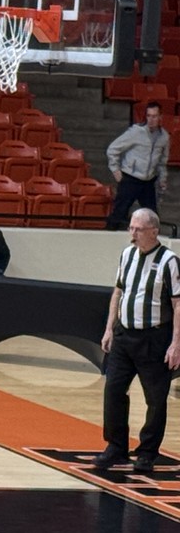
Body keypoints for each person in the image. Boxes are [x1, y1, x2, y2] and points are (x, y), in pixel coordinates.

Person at [94, 208, 180, 473]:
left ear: (154, 231)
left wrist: (176, 343)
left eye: (138, 229)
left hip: (153, 338)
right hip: (124, 336)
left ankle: (147, 453)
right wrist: (109, 328)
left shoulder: (169, 260)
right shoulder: (127, 254)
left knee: (155, 398)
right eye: (131, 228)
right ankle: (116, 447)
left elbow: (178, 304)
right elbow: (118, 292)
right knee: (114, 390)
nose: (132, 234)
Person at [106, 102, 170, 230]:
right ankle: (108, 238)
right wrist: (115, 169)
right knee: (119, 213)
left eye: (154, 116)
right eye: (149, 116)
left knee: (152, 216)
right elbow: (113, 149)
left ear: (160, 117)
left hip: (148, 181)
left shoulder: (164, 137)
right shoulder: (136, 132)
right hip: (130, 178)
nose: (151, 120)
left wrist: (162, 179)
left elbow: (162, 162)